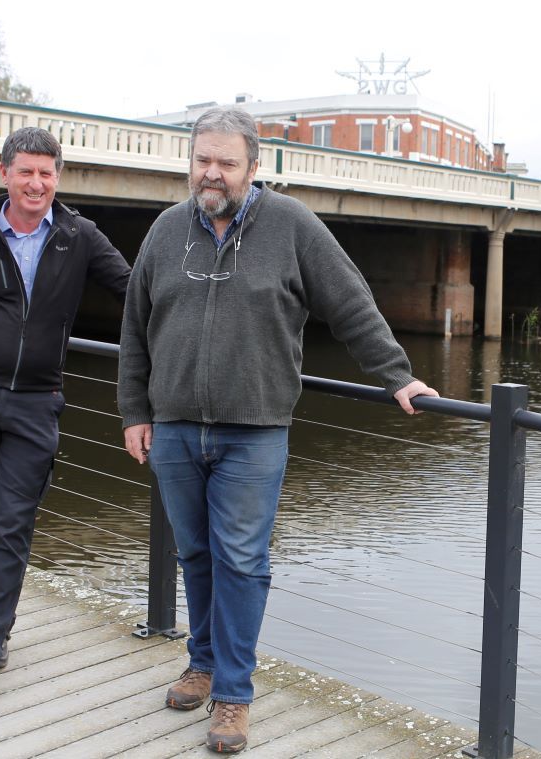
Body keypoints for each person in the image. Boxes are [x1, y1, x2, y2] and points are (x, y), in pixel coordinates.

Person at [117, 107, 437, 754]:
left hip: (253, 431)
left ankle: (233, 694)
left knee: (240, 560)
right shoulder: (165, 230)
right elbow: (134, 327)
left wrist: (396, 375)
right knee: (196, 555)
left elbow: (349, 301)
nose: (212, 172)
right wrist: (134, 410)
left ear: (253, 167)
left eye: (226, 162)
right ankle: (201, 662)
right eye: (202, 159)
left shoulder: (290, 226)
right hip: (175, 428)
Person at [0, 127, 131, 705]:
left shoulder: (79, 236)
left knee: (9, 524)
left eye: (47, 172)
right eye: (26, 171)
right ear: (4, 173)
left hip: (36, 401)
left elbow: (137, 292)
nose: (37, 183)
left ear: (57, 177)